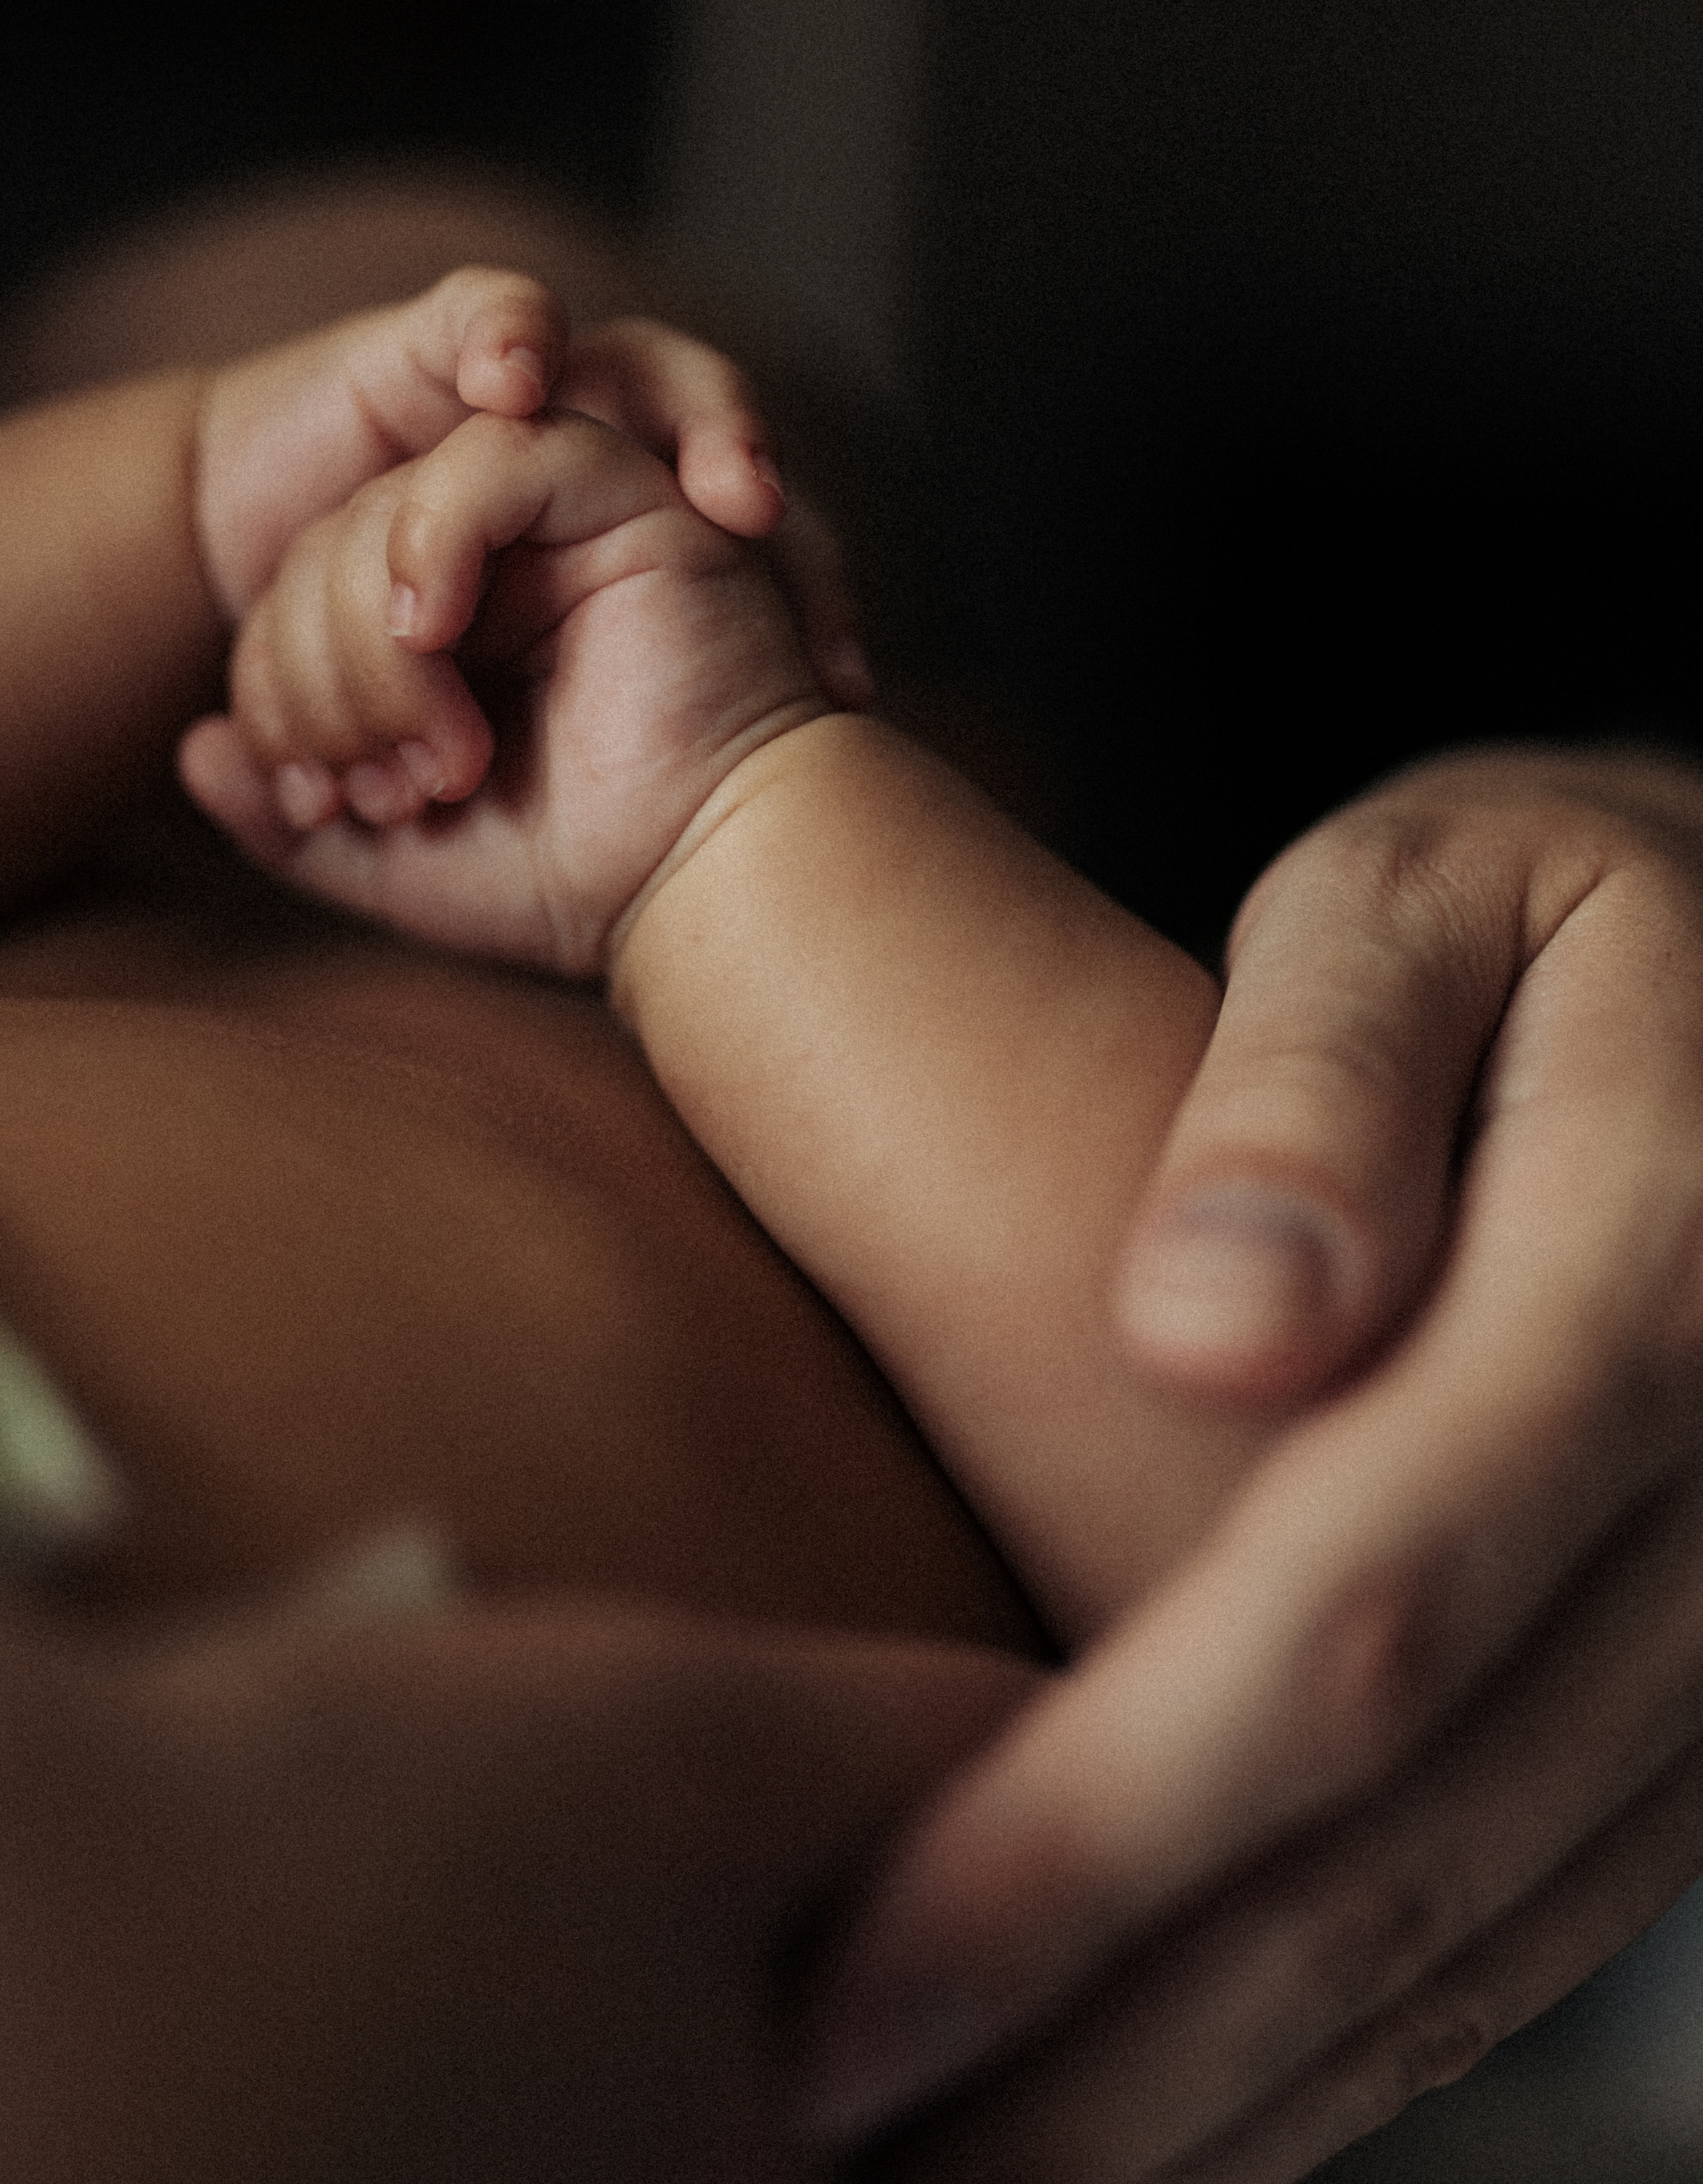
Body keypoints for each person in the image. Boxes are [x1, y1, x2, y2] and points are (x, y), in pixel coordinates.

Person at [6, 172, 1702, 2181]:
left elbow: (1362, 1553)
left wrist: (733, 812)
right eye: (230, 405)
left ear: (974, 785)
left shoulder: (819, 1107)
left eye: (629, 432)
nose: (461, 469)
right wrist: (185, 489)